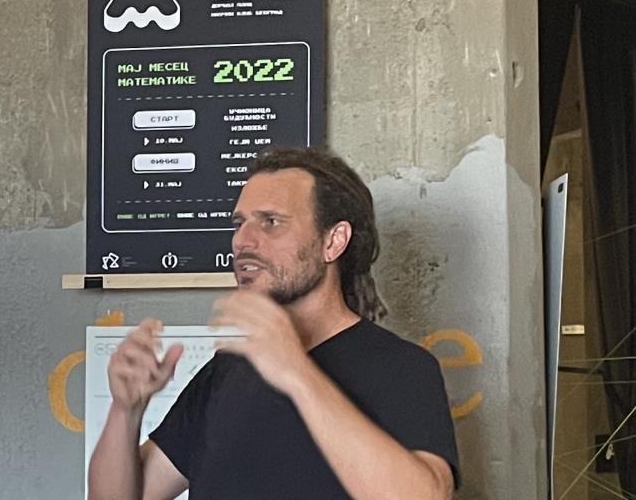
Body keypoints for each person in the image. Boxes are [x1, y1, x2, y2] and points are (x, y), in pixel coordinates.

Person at [87, 147, 460, 499]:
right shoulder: (225, 372)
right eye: (239, 223)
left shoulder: (401, 367)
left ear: (333, 242)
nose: (242, 241)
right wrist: (125, 410)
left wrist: (295, 371)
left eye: (271, 222)